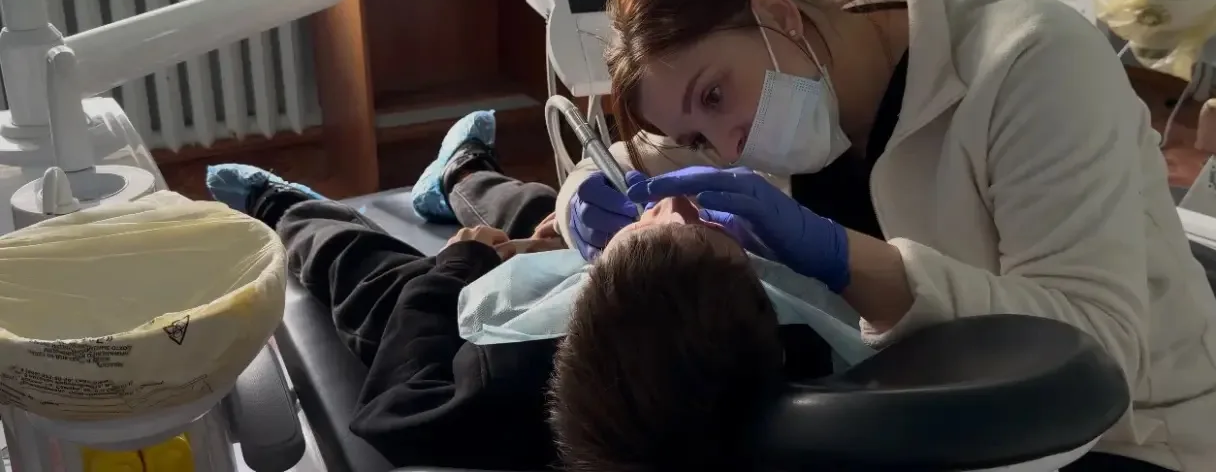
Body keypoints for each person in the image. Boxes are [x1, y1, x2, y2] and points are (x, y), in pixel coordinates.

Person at [559, 0, 1216, 471]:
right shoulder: (775, 78)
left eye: (713, 96)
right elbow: (628, 160)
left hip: (1125, 435)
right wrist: (584, 198)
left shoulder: (1033, 63)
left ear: (778, 15)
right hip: (929, 413)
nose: (730, 149)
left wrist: (847, 258)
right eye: (699, 138)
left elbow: (1093, 360)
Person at [205, 112, 831, 471]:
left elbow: (390, 409)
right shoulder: (796, 349)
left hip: (453, 320)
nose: (677, 203)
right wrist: (574, 239)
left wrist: (458, 266)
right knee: (551, 209)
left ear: (584, 300)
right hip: (634, 299)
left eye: (680, 224)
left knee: (369, 271)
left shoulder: (495, 381)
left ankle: (282, 204)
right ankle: (462, 173)